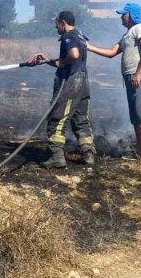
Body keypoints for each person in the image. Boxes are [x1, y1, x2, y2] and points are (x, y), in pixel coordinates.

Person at [86, 2, 141, 163]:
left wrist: (138, 73)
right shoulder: (128, 34)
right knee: (136, 116)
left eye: (123, 14)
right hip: (131, 77)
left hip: (139, 76)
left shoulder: (140, 28)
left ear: (131, 15)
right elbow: (112, 52)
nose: (121, 17)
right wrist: (89, 47)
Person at [32, 10, 96, 168]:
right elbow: (73, 58)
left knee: (57, 118)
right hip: (83, 83)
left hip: (70, 84)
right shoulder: (80, 36)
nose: (56, 27)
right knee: (81, 120)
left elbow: (73, 55)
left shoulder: (68, 36)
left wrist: (62, 63)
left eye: (56, 23)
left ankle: (57, 157)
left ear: (63, 22)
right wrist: (47, 61)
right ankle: (88, 154)